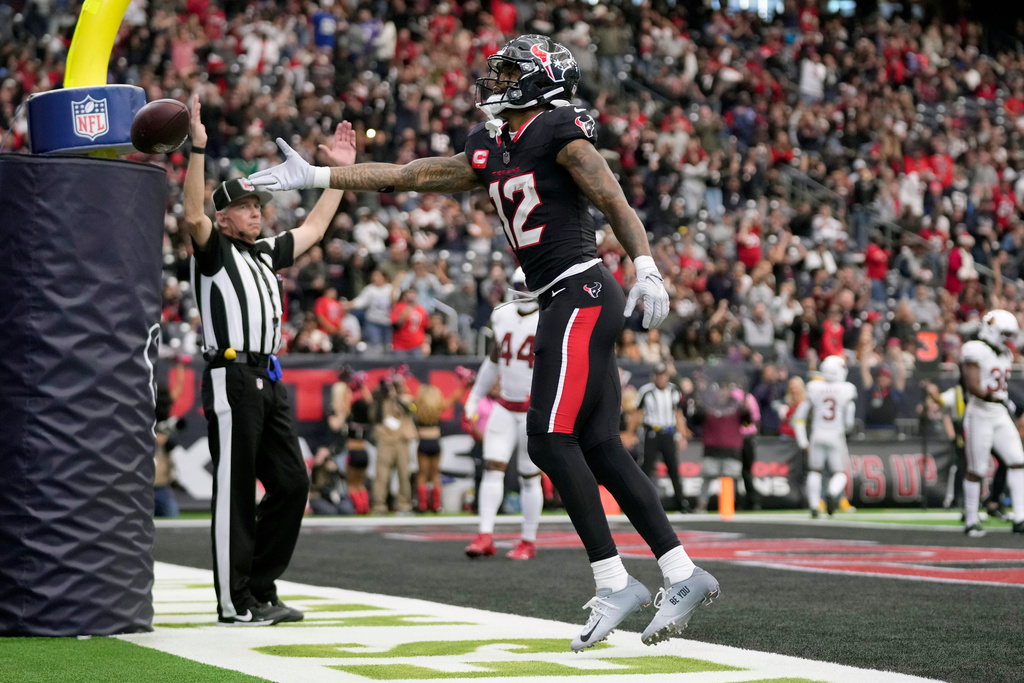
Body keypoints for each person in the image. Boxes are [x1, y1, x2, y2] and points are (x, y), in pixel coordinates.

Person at [249, 33, 718, 650]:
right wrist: (317, 174)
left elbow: (611, 195)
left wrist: (647, 263)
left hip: (580, 291)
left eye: (507, 73)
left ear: (539, 80)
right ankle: (681, 572)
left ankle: (614, 580)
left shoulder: (557, 131)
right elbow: (410, 175)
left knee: (550, 441)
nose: (494, 82)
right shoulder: (493, 146)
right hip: (564, 298)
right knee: (600, 445)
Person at [183, 96, 355, 625]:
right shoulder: (214, 249)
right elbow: (192, 212)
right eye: (247, 207)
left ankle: (258, 586)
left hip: (265, 375)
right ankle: (233, 602)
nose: (258, 212)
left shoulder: (261, 252)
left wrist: (339, 177)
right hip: (231, 374)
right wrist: (197, 149)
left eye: (260, 206)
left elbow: (316, 229)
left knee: (292, 483)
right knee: (234, 489)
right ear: (225, 217)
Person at [463, 267, 544, 560]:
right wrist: (474, 397)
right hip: (504, 406)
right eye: (518, 285)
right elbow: (494, 360)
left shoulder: (549, 316)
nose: (522, 290)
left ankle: (528, 540)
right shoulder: (502, 315)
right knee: (492, 468)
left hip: (533, 410)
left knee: (528, 475)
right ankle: (485, 534)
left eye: (527, 284)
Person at [958, 310, 1024, 537]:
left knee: (1017, 461)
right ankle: (971, 520)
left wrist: (1003, 402)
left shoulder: (1003, 353)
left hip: (999, 412)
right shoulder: (975, 349)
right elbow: (973, 387)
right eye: (1005, 333)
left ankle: (1020, 517)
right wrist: (995, 397)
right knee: (977, 469)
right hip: (980, 413)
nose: (1008, 339)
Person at [794, 356, 858, 519]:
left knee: (815, 471)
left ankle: (815, 505)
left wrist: (802, 440)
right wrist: (846, 429)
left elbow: (799, 417)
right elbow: (849, 420)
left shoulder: (815, 387)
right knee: (839, 473)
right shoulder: (846, 389)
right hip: (835, 435)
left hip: (817, 434)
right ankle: (832, 492)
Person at [636, 363, 690, 513]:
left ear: (667, 376)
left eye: (663, 375)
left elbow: (678, 413)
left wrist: (682, 434)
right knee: (646, 468)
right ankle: (639, 501)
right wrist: (631, 433)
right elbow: (637, 414)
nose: (661, 378)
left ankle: (681, 502)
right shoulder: (646, 391)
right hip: (652, 433)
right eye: (658, 375)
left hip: (668, 433)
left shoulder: (674, 391)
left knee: (673, 468)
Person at [410, 381, 467, 513]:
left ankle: (423, 505)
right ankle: (436, 505)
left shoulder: (418, 406)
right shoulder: (438, 406)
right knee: (436, 474)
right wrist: (464, 387)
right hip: (435, 441)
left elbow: (409, 400)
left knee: (422, 474)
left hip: (423, 441)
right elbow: (454, 399)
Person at [370, 371, 417, 515]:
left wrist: (396, 397)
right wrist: (381, 396)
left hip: (402, 441)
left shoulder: (407, 399)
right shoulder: (380, 400)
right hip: (385, 441)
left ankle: (404, 505)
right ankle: (379, 505)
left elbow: (411, 410)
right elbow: (374, 417)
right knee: (382, 475)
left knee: (404, 474)